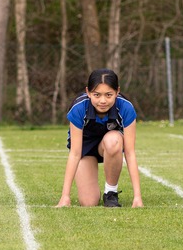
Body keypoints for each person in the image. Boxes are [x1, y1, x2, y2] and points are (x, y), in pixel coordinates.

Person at [57, 68, 143, 208]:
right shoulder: (79, 108)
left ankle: (110, 193)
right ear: (88, 92)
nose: (102, 101)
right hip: (86, 149)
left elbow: (130, 152)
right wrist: (65, 196)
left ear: (117, 92)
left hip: (110, 145)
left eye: (109, 95)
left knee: (113, 140)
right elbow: (75, 153)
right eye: (97, 95)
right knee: (89, 203)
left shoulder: (126, 107)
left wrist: (137, 197)